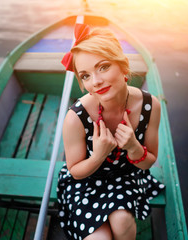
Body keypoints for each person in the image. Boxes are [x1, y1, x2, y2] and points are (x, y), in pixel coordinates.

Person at [57, 23, 165, 240]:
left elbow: (148, 162)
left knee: (123, 221)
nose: (96, 82)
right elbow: (76, 171)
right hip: (85, 180)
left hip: (126, 175)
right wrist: (98, 155)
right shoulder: (75, 118)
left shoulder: (149, 105)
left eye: (103, 67)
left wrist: (134, 147)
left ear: (123, 66)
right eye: (85, 75)